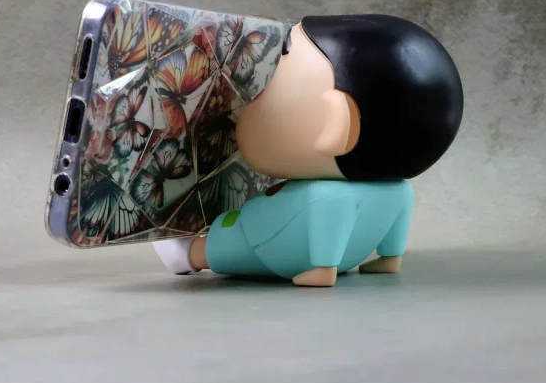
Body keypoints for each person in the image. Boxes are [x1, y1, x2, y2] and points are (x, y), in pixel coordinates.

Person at [154, 15, 464, 287]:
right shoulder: (397, 191)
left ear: (335, 126)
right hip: (349, 256)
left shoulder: (323, 196)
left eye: (273, 82)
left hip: (273, 250)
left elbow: (270, 224)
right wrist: (388, 257)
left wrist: (322, 267)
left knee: (231, 236)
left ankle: (189, 255)